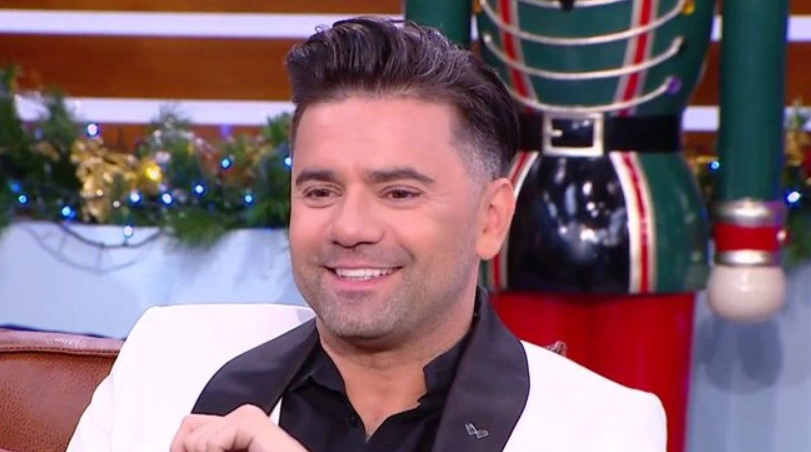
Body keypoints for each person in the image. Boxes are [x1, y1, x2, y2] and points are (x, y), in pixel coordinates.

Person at [66, 17, 666, 452]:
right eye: (320, 191)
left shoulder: (602, 429)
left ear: (491, 218)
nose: (349, 228)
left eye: (399, 193)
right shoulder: (165, 362)